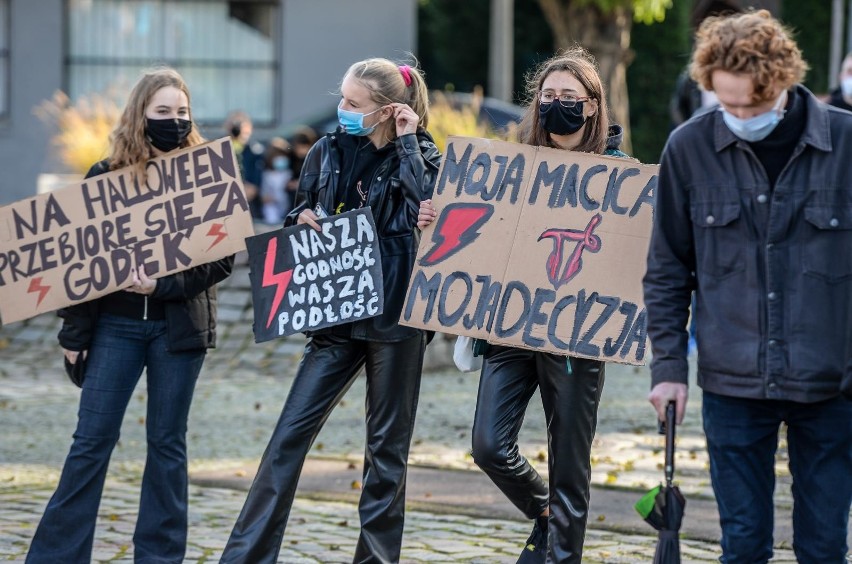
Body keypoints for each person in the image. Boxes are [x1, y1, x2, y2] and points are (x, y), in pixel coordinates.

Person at [644, 10, 852, 564]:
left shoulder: (848, 143)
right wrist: (668, 370)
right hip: (732, 382)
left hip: (832, 382)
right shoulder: (687, 149)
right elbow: (667, 269)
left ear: (782, 82)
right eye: (724, 103)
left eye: (751, 107)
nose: (737, 116)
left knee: (826, 545)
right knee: (741, 545)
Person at [220, 57, 441, 563]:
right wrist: (305, 218)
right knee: (286, 439)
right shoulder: (326, 149)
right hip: (336, 313)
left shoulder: (422, 152)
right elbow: (302, 208)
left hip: (397, 318)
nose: (341, 109)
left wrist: (408, 140)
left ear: (388, 111)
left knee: (386, 453)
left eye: (353, 103)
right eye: (341, 98)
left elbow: (423, 209)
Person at [418, 47, 628, 563]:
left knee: (570, 464)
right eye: (548, 96)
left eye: (569, 97)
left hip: (575, 338)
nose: (556, 104)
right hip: (510, 327)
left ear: (593, 105)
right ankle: (547, 516)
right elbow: (472, 229)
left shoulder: (619, 174)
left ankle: (560, 555)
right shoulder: (508, 164)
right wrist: (436, 217)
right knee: (489, 444)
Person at [26, 68, 234, 563]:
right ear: (140, 114)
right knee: (91, 442)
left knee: (167, 444)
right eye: (163, 112)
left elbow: (221, 259)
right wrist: (74, 334)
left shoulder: (206, 176)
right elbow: (77, 263)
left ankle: (160, 557)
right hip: (115, 329)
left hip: (178, 329)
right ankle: (56, 556)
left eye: (182, 112)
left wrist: (161, 285)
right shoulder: (103, 177)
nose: (174, 121)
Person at [225, 110, 265, 219]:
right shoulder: (219, 149)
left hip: (250, 205)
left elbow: (254, 187)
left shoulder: (256, 151)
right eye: (233, 123)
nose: (236, 127)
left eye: (240, 123)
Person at [259, 136, 292, 224]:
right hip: (273, 209)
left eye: (283, 155)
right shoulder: (267, 174)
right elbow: (264, 194)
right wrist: (267, 198)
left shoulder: (290, 173)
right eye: (277, 156)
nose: (281, 158)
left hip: (289, 208)